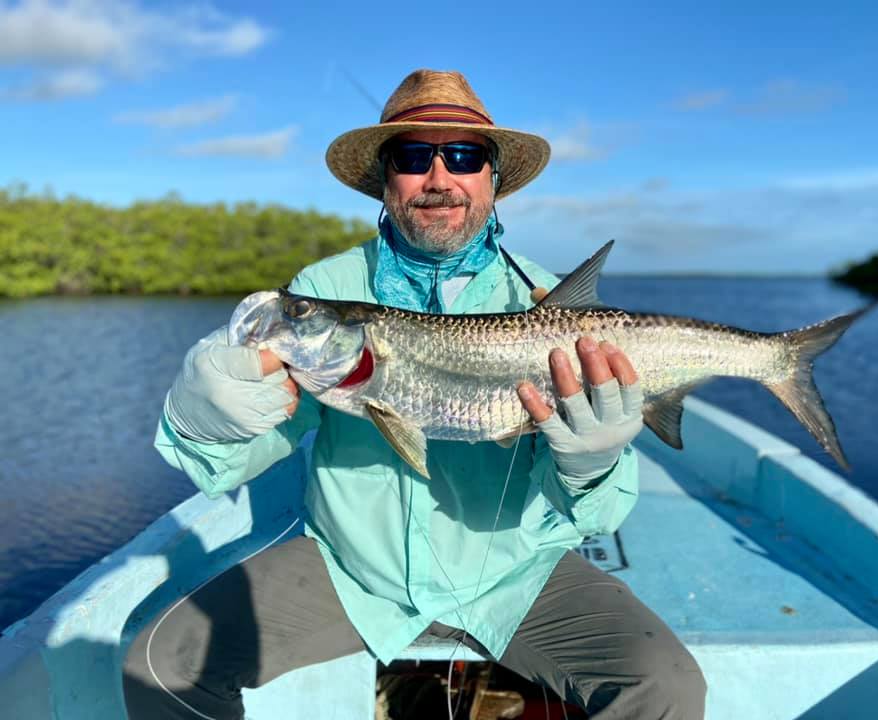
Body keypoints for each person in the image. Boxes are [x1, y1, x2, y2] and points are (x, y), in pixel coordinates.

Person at [122, 69, 706, 719]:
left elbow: (594, 514)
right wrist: (201, 418)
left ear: (493, 179)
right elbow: (242, 454)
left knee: (668, 685)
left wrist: (592, 461)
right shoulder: (327, 287)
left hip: (515, 572)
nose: (438, 177)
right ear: (385, 178)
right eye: (412, 156)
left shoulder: (544, 297)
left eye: (463, 156)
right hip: (354, 572)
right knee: (160, 664)